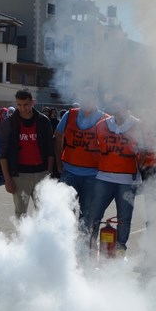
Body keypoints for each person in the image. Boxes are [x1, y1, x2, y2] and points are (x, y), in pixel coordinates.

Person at [88, 94, 145, 257]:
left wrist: (134, 170)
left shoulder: (137, 125)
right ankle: (90, 251)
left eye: (120, 106)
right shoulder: (102, 124)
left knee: (124, 218)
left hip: (127, 180)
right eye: (114, 106)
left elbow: (142, 152)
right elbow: (94, 149)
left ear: (127, 107)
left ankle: (120, 253)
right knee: (94, 216)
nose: (116, 110)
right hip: (104, 177)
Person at [55, 88, 108, 232]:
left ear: (96, 100)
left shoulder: (105, 119)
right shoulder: (70, 114)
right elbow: (58, 134)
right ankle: (65, 245)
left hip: (93, 175)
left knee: (87, 214)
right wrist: (58, 161)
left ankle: (84, 249)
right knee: (65, 211)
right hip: (69, 172)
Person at [0, 88, 55, 218]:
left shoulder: (43, 121)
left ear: (32, 102)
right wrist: (7, 179)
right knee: (20, 212)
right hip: (19, 175)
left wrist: (48, 173)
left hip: (41, 173)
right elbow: (3, 154)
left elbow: (50, 149)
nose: (22, 108)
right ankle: (21, 238)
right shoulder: (9, 123)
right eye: (19, 105)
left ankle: (42, 238)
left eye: (26, 104)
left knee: (43, 212)